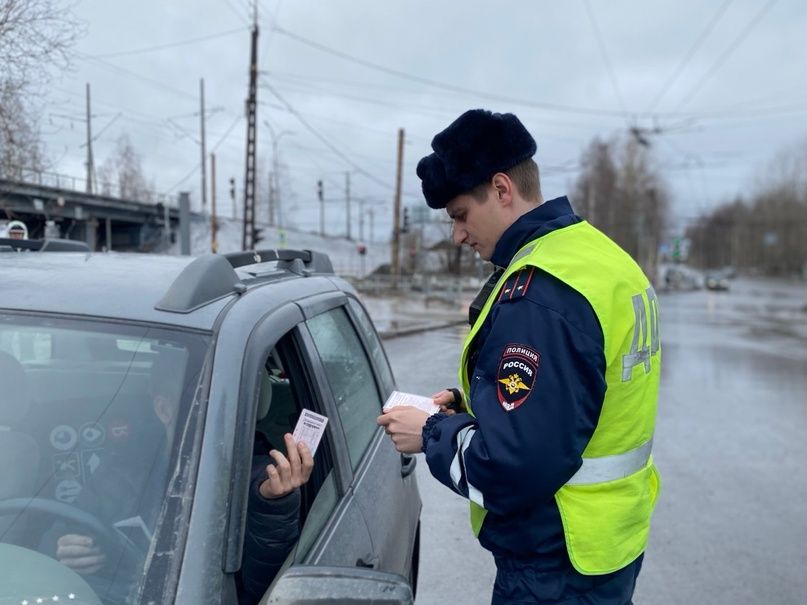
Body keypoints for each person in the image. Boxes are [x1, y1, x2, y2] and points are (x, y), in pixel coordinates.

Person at [378, 109, 661, 605]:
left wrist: (430, 431)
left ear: (503, 189)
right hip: (607, 544)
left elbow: (511, 469)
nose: (457, 235)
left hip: (556, 563)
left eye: (461, 214)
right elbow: (572, 404)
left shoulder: (540, 294)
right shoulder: (601, 257)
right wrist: (473, 413)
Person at [55, 353, 313, 605]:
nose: (225, 416)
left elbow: (264, 589)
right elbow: (58, 529)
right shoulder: (121, 469)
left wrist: (273, 505)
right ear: (164, 409)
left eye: (233, 405)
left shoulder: (262, 480)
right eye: (211, 404)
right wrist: (67, 551)